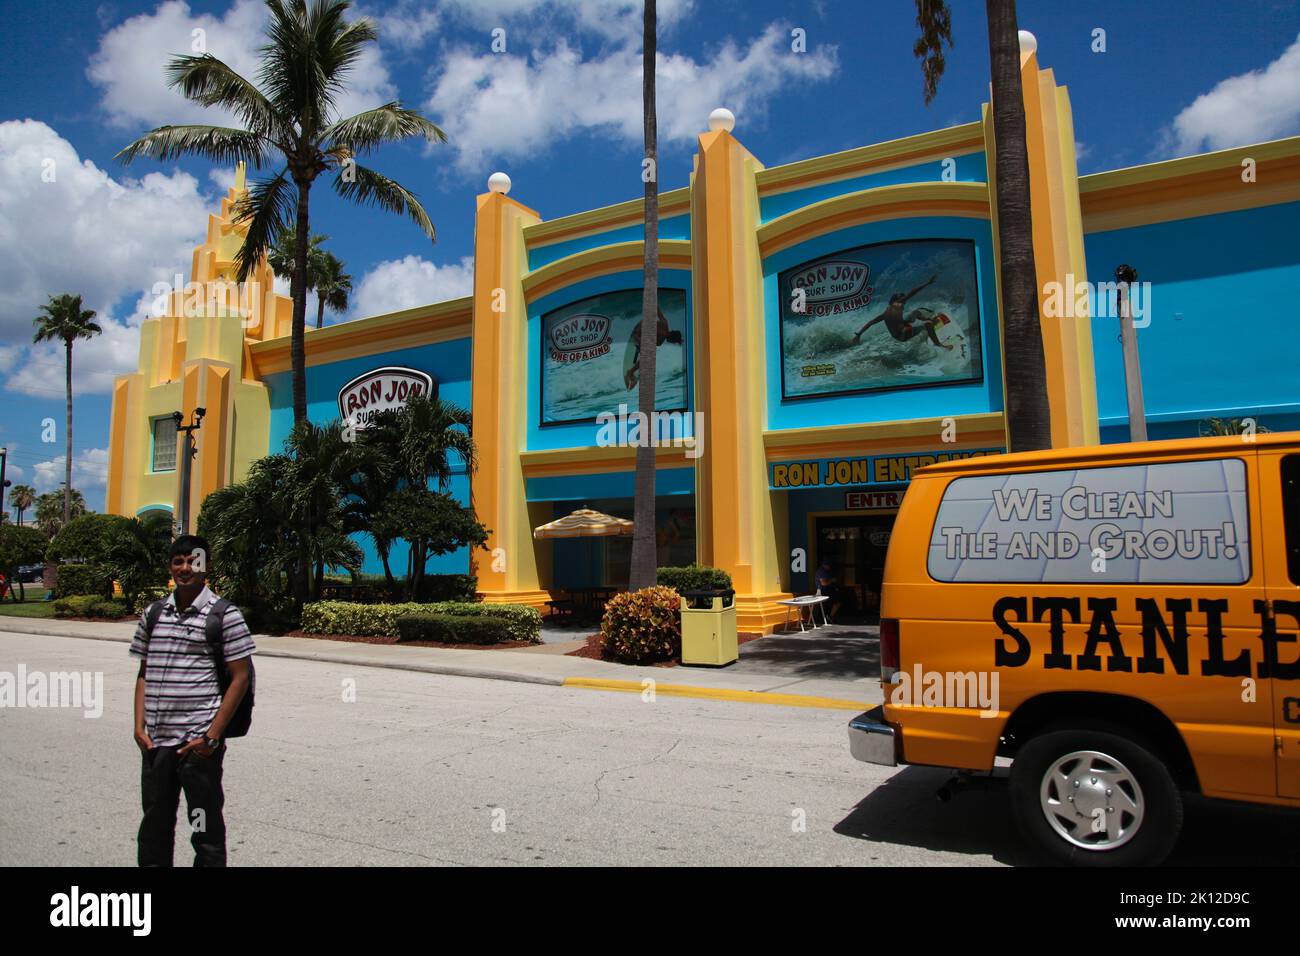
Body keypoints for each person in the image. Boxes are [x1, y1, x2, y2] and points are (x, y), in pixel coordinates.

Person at [131, 534, 254, 867]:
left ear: (206, 566)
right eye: (178, 561)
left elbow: (240, 677)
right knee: (154, 828)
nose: (186, 568)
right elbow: (145, 670)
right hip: (157, 744)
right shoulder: (154, 614)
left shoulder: (224, 615)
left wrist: (211, 737)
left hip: (197, 748)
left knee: (203, 828)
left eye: (193, 561)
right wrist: (138, 726)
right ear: (170, 566)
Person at [850, 273, 953, 351]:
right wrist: (928, 282)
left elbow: (870, 323)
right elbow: (913, 292)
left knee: (915, 312)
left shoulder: (885, 313)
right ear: (898, 300)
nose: (904, 302)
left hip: (898, 333)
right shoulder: (898, 304)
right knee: (928, 325)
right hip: (903, 334)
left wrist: (858, 335)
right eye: (903, 299)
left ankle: (929, 319)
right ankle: (938, 344)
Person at [623, 309, 685, 389]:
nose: (671, 343)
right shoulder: (660, 341)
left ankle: (635, 369)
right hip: (636, 334)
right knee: (649, 355)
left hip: (639, 325)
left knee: (649, 352)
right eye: (673, 342)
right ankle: (630, 372)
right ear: (672, 340)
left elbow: (656, 308)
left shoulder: (664, 323)